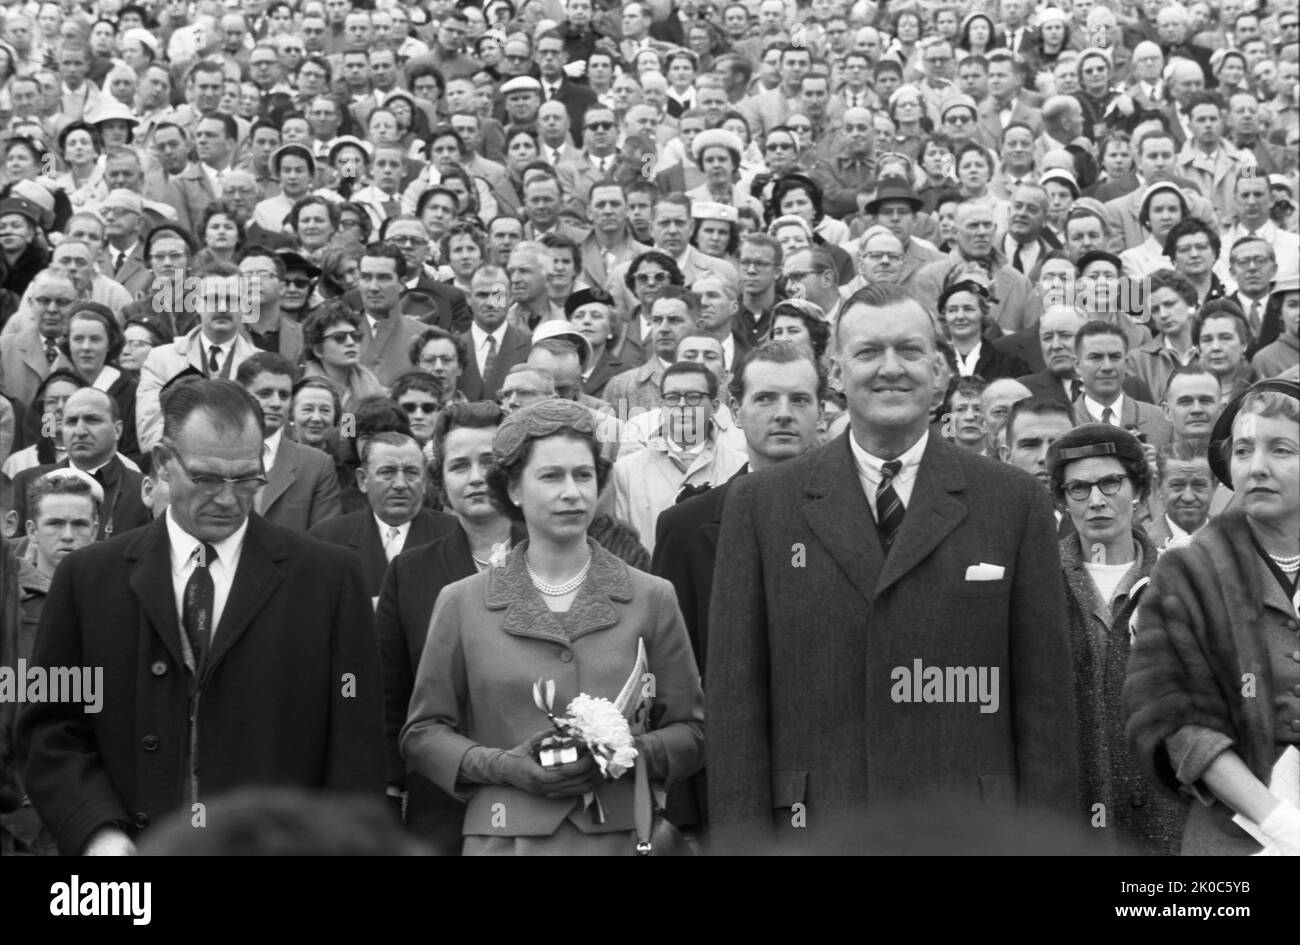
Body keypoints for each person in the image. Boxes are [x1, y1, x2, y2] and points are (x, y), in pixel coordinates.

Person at [706, 283, 1077, 849]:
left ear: (938, 368)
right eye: (868, 352)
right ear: (834, 372)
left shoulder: (1012, 501)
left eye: (908, 351)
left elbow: (1044, 697)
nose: (890, 369)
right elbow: (736, 701)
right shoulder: (763, 506)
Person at [18, 379, 384, 856]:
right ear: (164, 462)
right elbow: (51, 730)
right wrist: (98, 833)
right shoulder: (86, 579)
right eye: (208, 478)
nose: (229, 499)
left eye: (248, 479)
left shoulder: (330, 579)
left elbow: (357, 746)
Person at [400, 399, 704, 855]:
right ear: (514, 490)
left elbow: (692, 732)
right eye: (551, 476)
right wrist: (505, 767)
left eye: (583, 475)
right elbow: (423, 735)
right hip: (504, 841)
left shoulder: (651, 596)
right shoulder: (462, 602)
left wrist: (620, 753)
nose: (572, 492)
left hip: (621, 838)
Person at [1125, 378, 1300, 856]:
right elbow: (1180, 723)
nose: (1257, 467)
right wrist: (1282, 825)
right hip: (1237, 839)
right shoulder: (1189, 571)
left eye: (1280, 449)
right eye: (1243, 450)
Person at [376, 402, 521, 852]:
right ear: (441, 479)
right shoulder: (409, 572)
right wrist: (388, 793)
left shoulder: (558, 559)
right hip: (443, 803)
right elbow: (389, 698)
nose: (476, 477)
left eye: (489, 462)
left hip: (547, 796)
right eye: (459, 465)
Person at [1048, 423, 1186, 855]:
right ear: (1062, 500)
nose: (1096, 501)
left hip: (1166, 812)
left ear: (1139, 490)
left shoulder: (1179, 580)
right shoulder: (1038, 585)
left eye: (1110, 483)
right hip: (1068, 814)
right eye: (1079, 489)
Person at [3, 470, 101, 855]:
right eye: (55, 523)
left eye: (79, 524)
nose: (67, 535)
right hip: (17, 811)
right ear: (31, 528)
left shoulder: (119, 601)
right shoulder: (7, 602)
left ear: (96, 528)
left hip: (86, 803)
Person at [611, 361, 746, 555]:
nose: (682, 405)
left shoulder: (740, 468)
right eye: (673, 397)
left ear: (715, 406)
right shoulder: (625, 472)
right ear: (661, 405)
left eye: (693, 397)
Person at [9, 387, 149, 542]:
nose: (80, 431)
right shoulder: (27, 482)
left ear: (117, 430)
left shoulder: (143, 491)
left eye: (92, 420)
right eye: (71, 421)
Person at [235, 352, 341, 532]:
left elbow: (324, 544)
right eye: (265, 393)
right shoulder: (211, 453)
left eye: (284, 395)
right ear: (241, 394)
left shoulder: (317, 465)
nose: (276, 403)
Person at [1146, 441, 1215, 551]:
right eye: (1177, 485)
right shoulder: (1140, 546)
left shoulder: (1236, 543)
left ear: (1214, 487)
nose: (1188, 497)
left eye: (1198, 485)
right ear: (1159, 486)